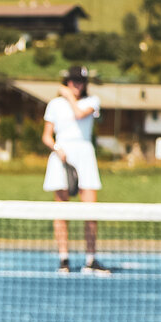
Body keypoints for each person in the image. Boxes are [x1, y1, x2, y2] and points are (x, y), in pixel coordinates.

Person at [41, 65, 110, 275]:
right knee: (61, 211)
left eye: (80, 81)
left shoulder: (92, 101)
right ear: (66, 82)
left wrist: (69, 97)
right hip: (61, 156)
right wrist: (57, 149)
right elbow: (46, 136)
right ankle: (64, 259)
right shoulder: (54, 105)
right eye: (72, 81)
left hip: (85, 155)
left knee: (90, 211)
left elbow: (80, 114)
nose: (76, 85)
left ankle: (90, 259)